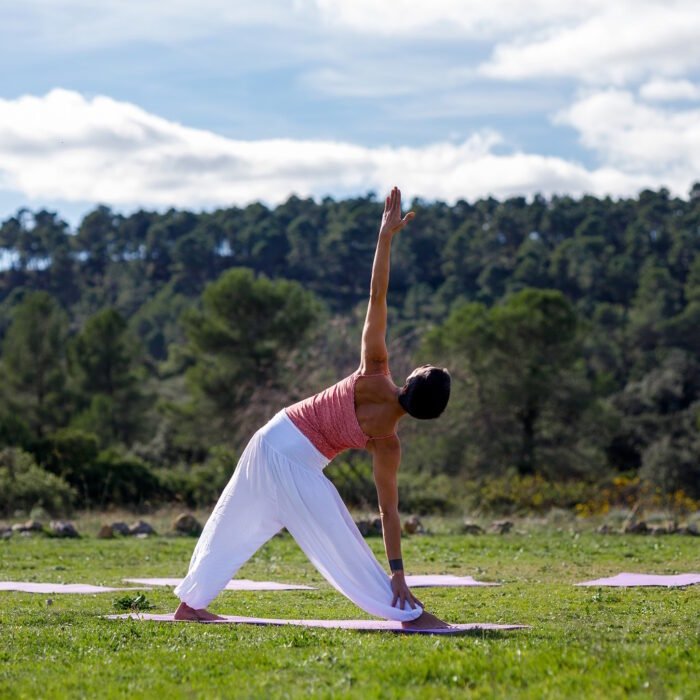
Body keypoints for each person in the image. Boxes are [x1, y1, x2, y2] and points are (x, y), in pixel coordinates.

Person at [174, 187, 451, 629]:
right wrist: (398, 569)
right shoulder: (387, 444)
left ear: (414, 380)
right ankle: (405, 610)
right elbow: (388, 512)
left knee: (237, 523)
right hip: (288, 454)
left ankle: (191, 604)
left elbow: (376, 298)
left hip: (272, 437)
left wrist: (385, 238)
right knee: (331, 535)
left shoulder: (375, 370)